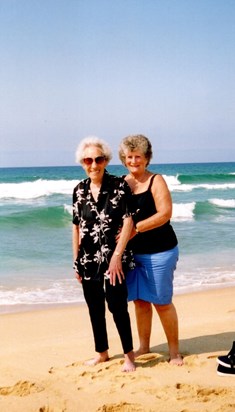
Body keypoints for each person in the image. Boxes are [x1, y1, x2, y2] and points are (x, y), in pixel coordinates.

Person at [118, 134, 183, 366]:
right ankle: (144, 346)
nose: (133, 161)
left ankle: (174, 351)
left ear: (146, 158)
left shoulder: (156, 180)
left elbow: (165, 214)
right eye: (129, 157)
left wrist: (137, 228)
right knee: (140, 302)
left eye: (138, 157)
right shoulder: (122, 184)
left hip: (160, 251)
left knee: (162, 302)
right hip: (133, 255)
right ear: (123, 159)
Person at [72, 136, 136, 372]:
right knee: (94, 307)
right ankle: (102, 353)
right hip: (88, 260)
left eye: (98, 159)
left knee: (117, 306)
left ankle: (129, 355)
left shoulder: (119, 186)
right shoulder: (78, 190)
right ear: (82, 162)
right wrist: (75, 260)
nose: (93, 164)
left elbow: (129, 219)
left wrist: (118, 255)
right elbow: (76, 226)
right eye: (88, 160)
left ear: (106, 160)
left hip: (114, 259)